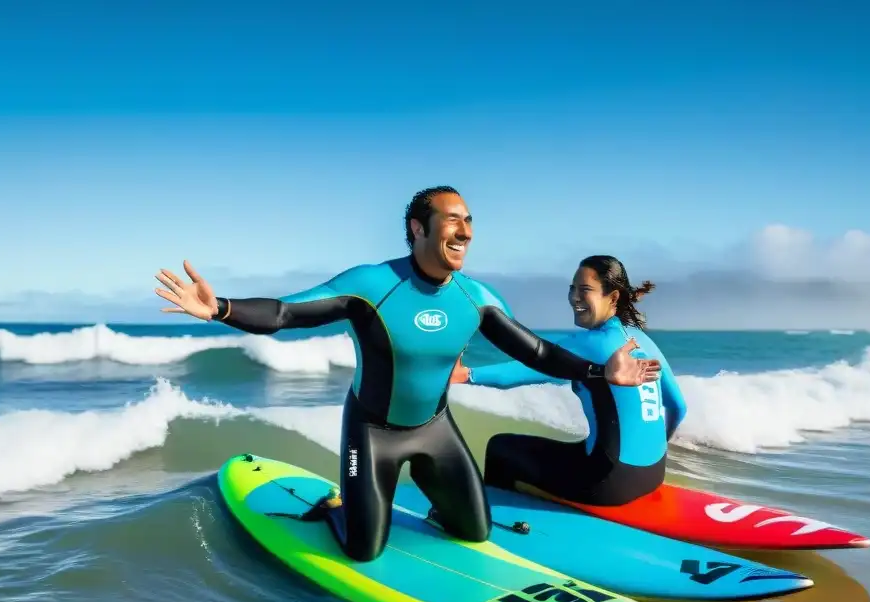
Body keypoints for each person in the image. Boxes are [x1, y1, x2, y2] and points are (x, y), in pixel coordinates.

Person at [154, 187, 661, 562]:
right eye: (451, 220)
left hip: (435, 431)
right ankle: (338, 507)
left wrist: (599, 371)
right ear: (418, 229)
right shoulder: (372, 285)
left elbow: (538, 352)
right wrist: (220, 307)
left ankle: (436, 504)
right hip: (373, 434)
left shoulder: (476, 298)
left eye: (468, 220)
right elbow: (287, 313)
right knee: (363, 550)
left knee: (475, 533)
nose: (465, 231)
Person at [450, 255, 686, 508]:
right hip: (654, 473)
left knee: (501, 447)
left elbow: (528, 368)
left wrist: (467, 375)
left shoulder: (590, 343)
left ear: (613, 297)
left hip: (610, 482)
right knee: (576, 449)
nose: (574, 297)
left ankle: (497, 520)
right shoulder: (644, 341)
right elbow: (679, 407)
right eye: (572, 288)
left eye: (585, 290)